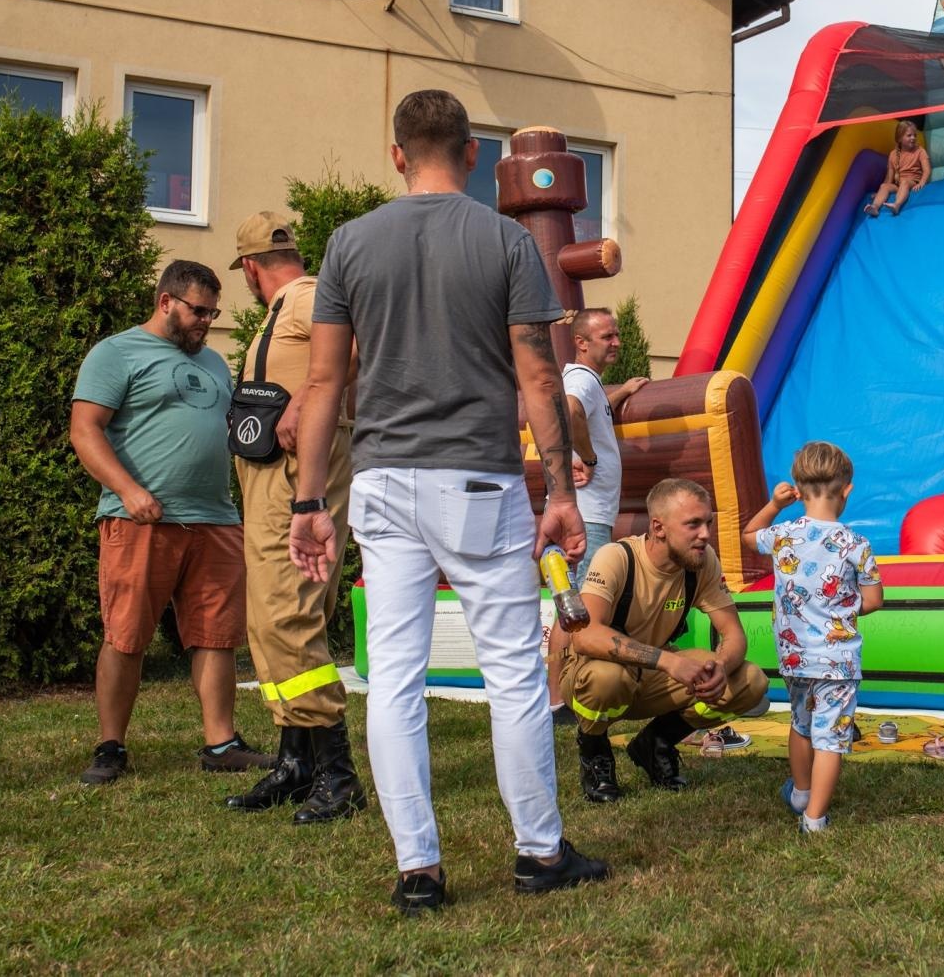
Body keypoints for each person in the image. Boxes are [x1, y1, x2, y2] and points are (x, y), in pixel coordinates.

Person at [287, 89, 607, 914]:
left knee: (392, 678)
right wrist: (566, 487)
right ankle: (538, 852)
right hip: (478, 481)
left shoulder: (350, 243)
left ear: (397, 154)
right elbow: (540, 376)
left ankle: (418, 870)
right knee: (512, 677)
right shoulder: (505, 240)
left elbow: (325, 382)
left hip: (384, 482)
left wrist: (307, 501)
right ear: (473, 156)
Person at [69, 259, 275, 785]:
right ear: (166, 302)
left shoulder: (213, 364)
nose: (207, 321)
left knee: (217, 636)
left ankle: (220, 743)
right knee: (126, 635)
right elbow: (85, 431)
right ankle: (111, 746)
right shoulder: (116, 353)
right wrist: (128, 491)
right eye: (198, 311)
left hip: (215, 519)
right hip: (140, 520)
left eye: (213, 312)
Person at [223, 211, 366, 824]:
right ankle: (295, 759)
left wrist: (308, 397)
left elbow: (354, 346)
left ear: (251, 268)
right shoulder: (287, 308)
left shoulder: (306, 297)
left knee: (288, 616)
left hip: (294, 479)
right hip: (270, 480)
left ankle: (337, 773)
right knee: (275, 617)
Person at [562, 478, 770, 802]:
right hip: (596, 671)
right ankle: (594, 749)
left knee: (748, 681)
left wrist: (721, 666)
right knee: (607, 679)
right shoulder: (617, 557)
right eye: (693, 524)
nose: (705, 534)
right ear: (659, 528)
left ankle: (655, 743)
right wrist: (669, 661)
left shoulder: (702, 562)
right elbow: (584, 635)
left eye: (708, 523)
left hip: (653, 675)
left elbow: (734, 635)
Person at [741, 442, 882, 833]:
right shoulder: (857, 545)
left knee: (801, 724)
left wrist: (774, 504)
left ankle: (801, 792)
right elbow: (873, 600)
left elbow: (748, 534)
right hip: (837, 661)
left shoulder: (784, 534)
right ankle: (814, 819)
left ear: (798, 491)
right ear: (847, 490)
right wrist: (843, 609)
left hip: (794, 657)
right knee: (831, 738)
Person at [544, 308, 648, 723]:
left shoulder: (589, 382)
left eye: (617, 334)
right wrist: (588, 456)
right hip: (588, 517)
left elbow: (587, 406)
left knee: (568, 606)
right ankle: (567, 699)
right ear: (582, 342)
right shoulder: (580, 380)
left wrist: (621, 393)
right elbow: (571, 411)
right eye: (607, 336)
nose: (617, 342)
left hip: (590, 514)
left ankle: (558, 700)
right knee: (581, 610)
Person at [864, 121, 930, 218]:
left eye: (914, 135)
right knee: (884, 186)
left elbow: (927, 170)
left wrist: (922, 182)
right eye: (909, 135)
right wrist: (879, 191)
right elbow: (889, 178)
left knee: (905, 183)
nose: (913, 138)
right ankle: (875, 207)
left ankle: (897, 205)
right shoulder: (893, 155)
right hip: (898, 185)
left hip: (912, 182)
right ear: (900, 138)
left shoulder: (920, 151)